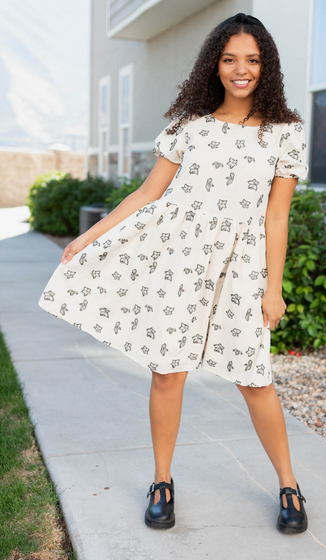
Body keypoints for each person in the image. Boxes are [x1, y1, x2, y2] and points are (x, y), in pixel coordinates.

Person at [38, 12, 309, 534]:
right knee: (168, 373)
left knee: (255, 379)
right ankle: (162, 481)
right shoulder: (189, 126)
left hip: (242, 268)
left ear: (266, 66)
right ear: (214, 64)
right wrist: (87, 237)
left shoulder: (285, 133)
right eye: (230, 59)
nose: (241, 70)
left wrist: (273, 288)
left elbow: (278, 215)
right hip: (180, 262)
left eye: (252, 60)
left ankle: (289, 484)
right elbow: (147, 194)